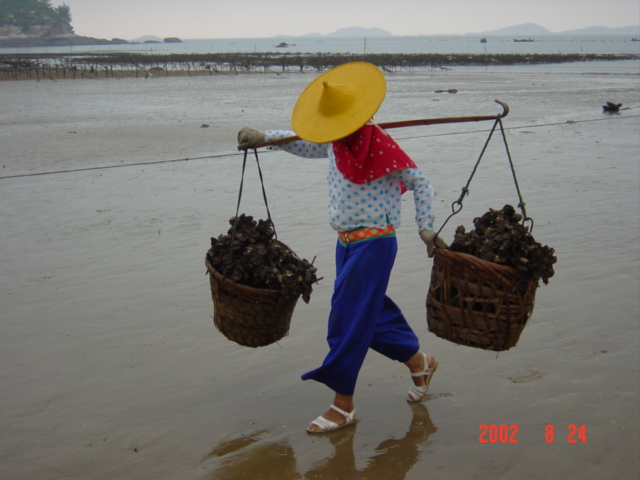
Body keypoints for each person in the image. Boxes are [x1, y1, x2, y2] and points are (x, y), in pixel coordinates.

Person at [237, 62, 446, 434]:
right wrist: (264, 137)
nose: (329, 132)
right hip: (345, 243)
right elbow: (302, 142)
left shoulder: (378, 144)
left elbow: (422, 182)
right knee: (370, 314)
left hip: (375, 243)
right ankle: (419, 361)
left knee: (346, 319)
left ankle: (342, 404)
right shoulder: (336, 142)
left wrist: (426, 229)